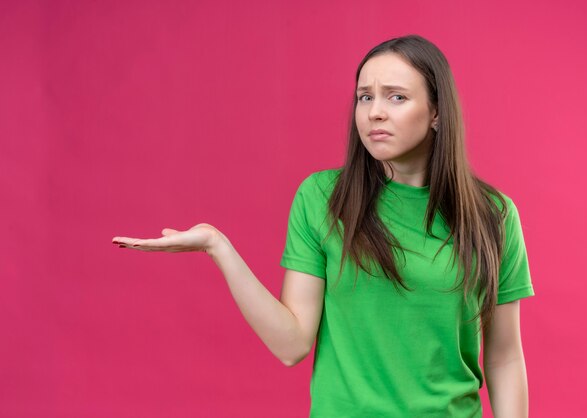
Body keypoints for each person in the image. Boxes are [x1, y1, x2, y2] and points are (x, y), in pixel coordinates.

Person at [112, 34, 534, 417]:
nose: (375, 113)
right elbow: (291, 344)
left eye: (397, 97)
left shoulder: (492, 215)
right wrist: (218, 247)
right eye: (364, 97)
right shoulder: (322, 198)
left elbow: (503, 358)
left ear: (438, 112)